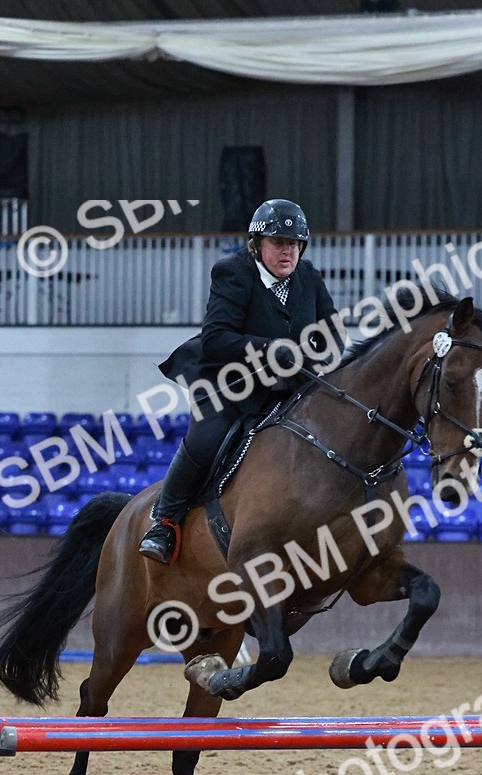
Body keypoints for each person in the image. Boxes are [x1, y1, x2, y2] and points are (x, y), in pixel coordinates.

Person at [138, 198, 338, 564]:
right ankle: (164, 521)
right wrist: (270, 348)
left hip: (289, 388)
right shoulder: (232, 272)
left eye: (295, 244)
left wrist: (320, 354)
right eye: (279, 243)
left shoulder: (308, 276)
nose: (288, 251)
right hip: (229, 384)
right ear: (258, 244)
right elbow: (215, 339)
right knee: (205, 441)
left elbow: (333, 335)